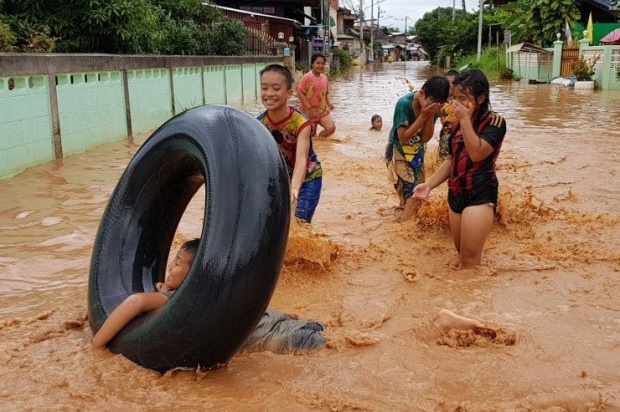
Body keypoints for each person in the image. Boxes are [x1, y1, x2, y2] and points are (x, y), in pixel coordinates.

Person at [413, 69, 507, 269]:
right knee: (460, 254)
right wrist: (429, 185)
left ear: (480, 98)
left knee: (469, 261)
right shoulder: (455, 126)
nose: (455, 104)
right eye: (454, 98)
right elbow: (450, 160)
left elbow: (477, 153)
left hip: (480, 193)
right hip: (456, 192)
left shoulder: (495, 123)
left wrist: (465, 120)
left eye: (462, 98)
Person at [92, 238, 199, 349]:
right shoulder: (198, 298)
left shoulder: (176, 299)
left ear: (193, 273)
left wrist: (95, 346)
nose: (170, 266)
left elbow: (136, 301)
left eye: (177, 264)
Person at [257, 64, 322, 223]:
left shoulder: (301, 123)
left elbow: (301, 159)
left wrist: (294, 188)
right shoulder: (258, 124)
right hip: (281, 179)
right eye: (264, 88)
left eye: (276, 88)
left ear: (289, 93)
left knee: (300, 223)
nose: (269, 94)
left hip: (308, 177)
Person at [385, 75, 449, 219]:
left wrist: (429, 116)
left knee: (419, 193)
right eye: (430, 102)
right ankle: (403, 228)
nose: (431, 106)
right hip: (398, 151)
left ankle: (407, 222)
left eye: (436, 104)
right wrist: (423, 116)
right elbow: (403, 137)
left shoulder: (433, 108)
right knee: (407, 193)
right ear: (421, 93)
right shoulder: (404, 104)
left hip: (417, 152)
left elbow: (425, 138)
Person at [297, 53, 336, 139]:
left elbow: (325, 93)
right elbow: (299, 93)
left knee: (331, 128)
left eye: (322, 64)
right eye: (318, 63)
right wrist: (308, 107)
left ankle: (320, 141)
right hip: (308, 112)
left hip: (322, 110)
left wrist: (329, 103)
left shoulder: (325, 78)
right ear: (312, 64)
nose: (320, 65)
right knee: (311, 134)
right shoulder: (306, 77)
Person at [437, 69, 459, 161]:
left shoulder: (462, 100)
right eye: (447, 82)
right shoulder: (439, 101)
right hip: (445, 136)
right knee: (444, 161)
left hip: (460, 135)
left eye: (453, 82)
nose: (450, 85)